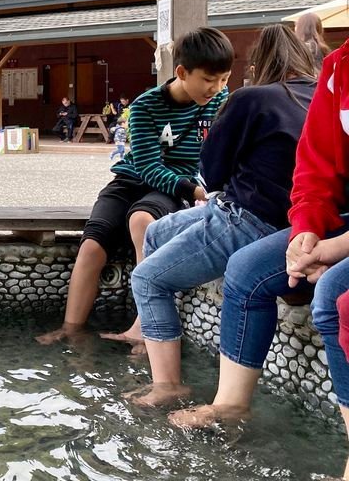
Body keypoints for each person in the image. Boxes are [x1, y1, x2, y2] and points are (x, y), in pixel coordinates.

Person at [171, 0, 349, 457]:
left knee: (336, 293)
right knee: (247, 268)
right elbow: (314, 171)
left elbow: (212, 172)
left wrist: (333, 248)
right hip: (326, 222)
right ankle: (230, 403)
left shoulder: (248, 99)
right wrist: (307, 232)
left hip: (322, 235)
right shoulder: (335, 72)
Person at [123, 25, 315, 407]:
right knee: (157, 232)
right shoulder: (319, 95)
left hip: (248, 217)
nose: (218, 86)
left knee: (146, 279)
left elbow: (212, 174)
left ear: (257, 65)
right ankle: (155, 328)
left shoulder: (250, 99)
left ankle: (167, 385)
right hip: (291, 218)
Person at [37, 27, 232, 347]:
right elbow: (148, 167)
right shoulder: (145, 107)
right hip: (135, 178)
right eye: (209, 80)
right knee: (92, 244)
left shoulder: (221, 100)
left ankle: (145, 326)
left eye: (224, 79)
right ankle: (70, 330)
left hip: (176, 187)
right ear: (182, 72)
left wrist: (202, 188)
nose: (217, 88)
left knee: (141, 220)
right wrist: (196, 192)